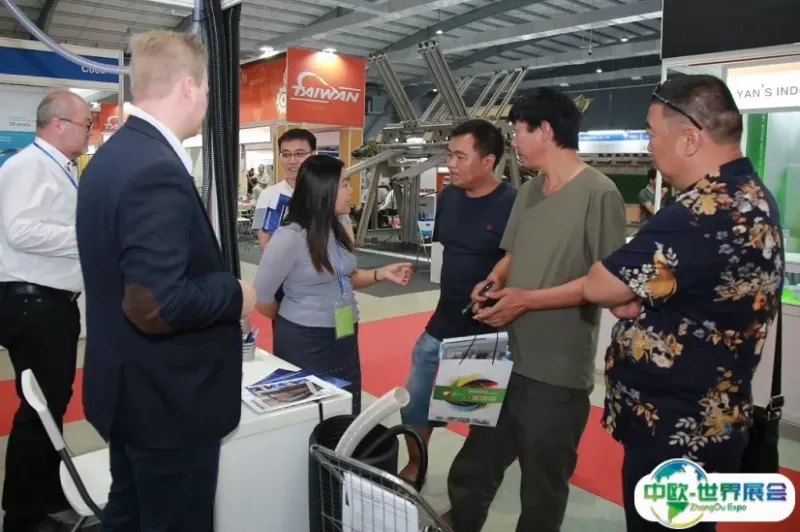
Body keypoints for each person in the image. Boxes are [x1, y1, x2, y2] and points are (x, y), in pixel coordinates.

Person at [580, 75, 782, 531]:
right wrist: (642, 301)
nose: (648, 144)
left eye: (652, 132)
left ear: (689, 138)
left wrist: (629, 296)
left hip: (675, 433)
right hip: (711, 421)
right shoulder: (751, 195)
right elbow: (704, 290)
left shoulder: (703, 210)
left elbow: (598, 285)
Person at [76, 31, 256, 531]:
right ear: (188, 88)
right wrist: (234, 293)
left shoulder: (111, 158)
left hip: (130, 391)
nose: (207, 102)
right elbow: (155, 304)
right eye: (206, 90)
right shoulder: (155, 170)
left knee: (129, 513)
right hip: (167, 405)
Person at [448, 88, 627, 532]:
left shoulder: (599, 194)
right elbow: (512, 253)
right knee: (474, 464)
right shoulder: (528, 190)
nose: (514, 141)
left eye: (517, 131)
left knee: (542, 487)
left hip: (555, 370)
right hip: (500, 355)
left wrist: (527, 300)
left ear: (544, 130)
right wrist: (494, 281)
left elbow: (607, 285)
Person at [397, 119, 516, 486]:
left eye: (460, 157)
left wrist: (497, 277)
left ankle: (469, 491)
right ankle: (416, 465)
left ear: (488, 161)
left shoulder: (512, 203)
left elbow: (520, 255)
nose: (450, 163)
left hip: (482, 332)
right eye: (449, 155)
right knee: (414, 402)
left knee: (473, 413)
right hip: (441, 323)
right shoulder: (449, 196)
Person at [253, 154, 412, 415]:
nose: (351, 191)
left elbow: (344, 276)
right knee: (311, 415)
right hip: (307, 341)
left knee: (345, 408)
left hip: (344, 334)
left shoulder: (334, 228)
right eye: (345, 184)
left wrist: (380, 274)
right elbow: (260, 296)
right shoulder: (289, 237)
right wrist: (293, 319)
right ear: (323, 190)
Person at [0, 90, 91, 532]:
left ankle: (47, 496)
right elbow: (19, 230)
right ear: (58, 124)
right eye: (86, 124)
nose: (89, 132)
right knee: (39, 410)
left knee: (51, 406)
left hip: (50, 304)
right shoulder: (28, 167)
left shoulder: (59, 168)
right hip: (34, 304)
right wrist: (87, 235)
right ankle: (22, 516)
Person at [252, 128, 353, 249]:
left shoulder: (328, 191)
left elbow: (348, 241)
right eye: (286, 154)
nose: (292, 161)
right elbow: (266, 246)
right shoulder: (269, 195)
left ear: (313, 155)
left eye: (299, 154)